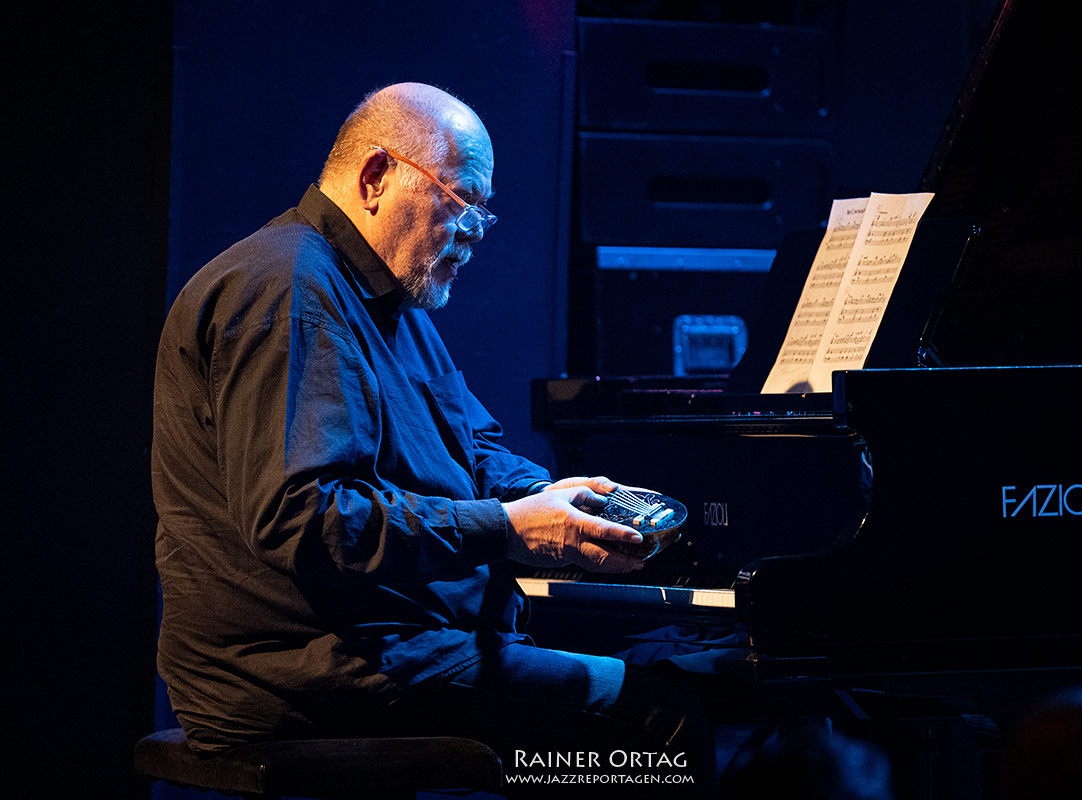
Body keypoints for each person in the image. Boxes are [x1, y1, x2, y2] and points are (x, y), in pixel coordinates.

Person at [151, 82, 712, 794]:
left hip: (380, 647)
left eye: (487, 208)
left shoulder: (388, 299)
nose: (479, 227)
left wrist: (552, 498)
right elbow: (305, 520)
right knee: (654, 722)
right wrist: (506, 530)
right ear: (377, 175)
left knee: (668, 670)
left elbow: (471, 448)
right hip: (302, 671)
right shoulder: (290, 288)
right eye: (464, 198)